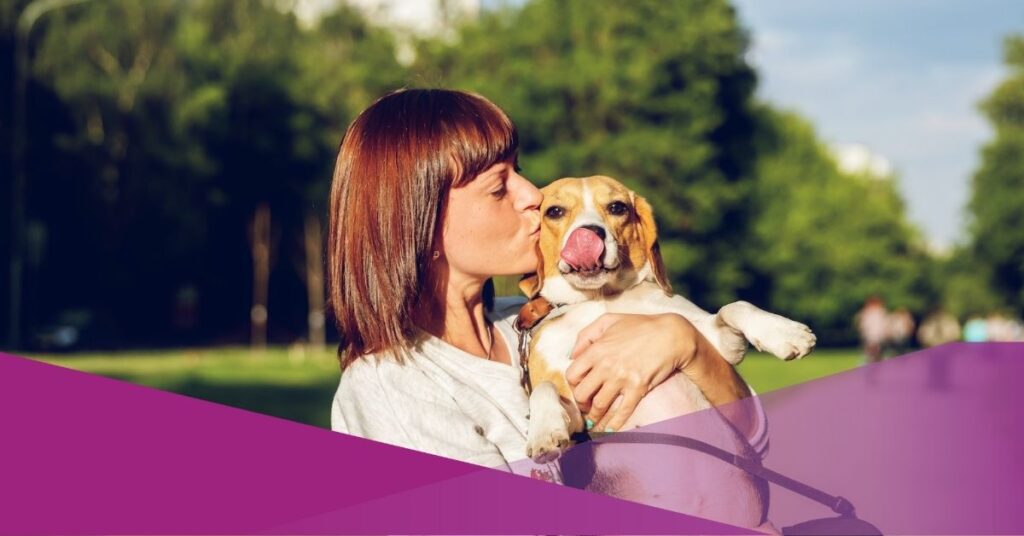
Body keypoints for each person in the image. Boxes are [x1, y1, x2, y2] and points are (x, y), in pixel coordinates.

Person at [326, 89, 767, 479]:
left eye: (519, 170)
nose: (533, 195)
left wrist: (685, 343)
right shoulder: (393, 388)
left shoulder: (541, 319)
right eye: (500, 187)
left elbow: (753, 443)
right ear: (419, 223)